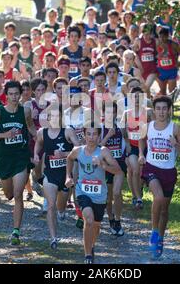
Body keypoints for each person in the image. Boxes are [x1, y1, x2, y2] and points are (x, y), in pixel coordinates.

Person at [0, 81, 37, 245]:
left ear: (20, 94)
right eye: (11, 94)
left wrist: (44, 138)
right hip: (4, 158)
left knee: (18, 194)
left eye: (17, 93)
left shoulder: (26, 111)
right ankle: (8, 198)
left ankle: (16, 232)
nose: (14, 97)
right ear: (6, 95)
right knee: (9, 194)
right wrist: (4, 135)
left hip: (20, 157)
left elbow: (32, 129)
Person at [139, 96, 180, 259]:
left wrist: (175, 144)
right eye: (158, 108)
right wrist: (141, 154)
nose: (161, 112)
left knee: (164, 210)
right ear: (154, 110)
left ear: (169, 110)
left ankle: (160, 238)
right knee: (158, 198)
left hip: (169, 171)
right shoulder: (148, 126)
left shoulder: (175, 129)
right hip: (151, 168)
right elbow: (141, 139)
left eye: (164, 108)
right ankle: (154, 231)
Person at [65, 126, 123, 264]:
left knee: (96, 225)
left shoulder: (103, 152)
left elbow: (118, 171)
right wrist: (68, 176)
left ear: (98, 136)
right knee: (88, 220)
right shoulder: (78, 151)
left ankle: (91, 245)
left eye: (94, 134)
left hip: (99, 194)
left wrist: (103, 165)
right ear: (84, 136)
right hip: (82, 191)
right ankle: (88, 256)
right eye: (88, 134)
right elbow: (69, 159)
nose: (91, 137)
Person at [34, 105, 79, 249]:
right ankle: (53, 237)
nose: (54, 118)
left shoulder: (68, 131)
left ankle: (62, 211)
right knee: (51, 205)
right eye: (51, 116)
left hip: (65, 175)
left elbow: (78, 149)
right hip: (50, 175)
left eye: (57, 116)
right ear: (47, 118)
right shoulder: (42, 132)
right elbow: (38, 144)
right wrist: (36, 154)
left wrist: (65, 154)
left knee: (60, 206)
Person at [122, 86, 153, 210]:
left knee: (141, 173)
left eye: (139, 97)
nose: (136, 99)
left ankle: (139, 190)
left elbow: (155, 128)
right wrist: (127, 144)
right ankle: (137, 198)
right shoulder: (126, 113)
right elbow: (124, 132)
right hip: (133, 147)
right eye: (134, 97)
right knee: (134, 170)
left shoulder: (149, 112)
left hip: (148, 147)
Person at [99, 102, 127, 236]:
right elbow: (97, 148)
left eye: (114, 112)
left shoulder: (121, 126)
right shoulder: (100, 127)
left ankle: (118, 220)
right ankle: (110, 219)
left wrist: (127, 154)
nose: (111, 115)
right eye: (108, 112)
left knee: (117, 193)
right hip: (105, 166)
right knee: (108, 197)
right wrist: (108, 136)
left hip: (119, 165)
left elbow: (126, 143)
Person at [156, 28, 180, 95]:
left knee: (172, 92)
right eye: (160, 37)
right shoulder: (157, 44)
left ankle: (172, 105)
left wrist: (179, 63)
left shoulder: (173, 45)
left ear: (167, 36)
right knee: (163, 92)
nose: (162, 39)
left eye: (164, 37)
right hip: (161, 70)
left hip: (172, 70)